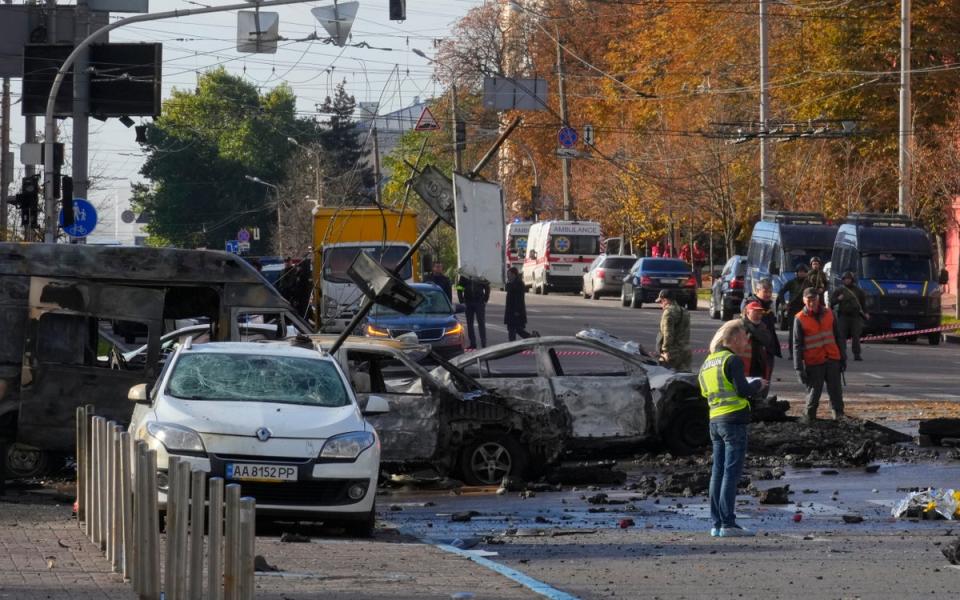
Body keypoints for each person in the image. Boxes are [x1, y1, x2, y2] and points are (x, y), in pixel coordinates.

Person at [699, 319, 766, 537]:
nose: (746, 342)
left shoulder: (708, 362)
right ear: (734, 338)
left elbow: (705, 392)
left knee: (717, 472)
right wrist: (757, 384)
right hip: (734, 420)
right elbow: (742, 391)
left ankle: (717, 523)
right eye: (744, 338)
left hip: (715, 420)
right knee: (731, 472)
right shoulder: (732, 360)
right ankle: (728, 523)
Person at [793, 287, 846, 422]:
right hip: (814, 362)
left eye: (814, 299)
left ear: (819, 299)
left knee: (836, 393)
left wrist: (842, 357)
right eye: (809, 299)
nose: (812, 302)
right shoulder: (799, 318)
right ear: (804, 300)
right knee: (813, 394)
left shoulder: (830, 313)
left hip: (832, 359)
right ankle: (809, 419)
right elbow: (797, 345)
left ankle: (838, 418)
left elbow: (839, 337)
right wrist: (798, 368)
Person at [739, 279, 782, 378]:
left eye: (770, 292)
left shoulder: (768, 305)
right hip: (755, 349)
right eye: (765, 291)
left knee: (766, 378)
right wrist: (764, 340)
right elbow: (747, 325)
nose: (768, 294)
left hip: (768, 348)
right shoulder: (750, 304)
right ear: (757, 291)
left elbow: (771, 328)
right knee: (755, 379)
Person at [831, 271, 868, 361]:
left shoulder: (858, 291)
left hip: (855, 316)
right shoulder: (839, 290)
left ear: (852, 280)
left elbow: (863, 303)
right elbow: (832, 302)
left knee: (856, 336)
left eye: (849, 279)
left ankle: (857, 354)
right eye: (845, 279)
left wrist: (866, 312)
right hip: (843, 316)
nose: (847, 280)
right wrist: (838, 299)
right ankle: (842, 354)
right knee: (841, 336)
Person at [655, 289, 691, 371]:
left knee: (665, 376)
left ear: (665, 300)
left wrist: (665, 351)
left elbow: (668, 333)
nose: (661, 305)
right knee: (685, 378)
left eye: (661, 302)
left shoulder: (668, 313)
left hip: (673, 352)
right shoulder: (684, 311)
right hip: (685, 350)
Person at [740, 301, 775, 381]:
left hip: (759, 365)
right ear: (747, 312)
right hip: (744, 365)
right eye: (755, 312)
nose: (758, 315)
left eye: (760, 312)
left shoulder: (762, 326)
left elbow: (767, 340)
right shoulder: (740, 326)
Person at [782, 263, 809, 360]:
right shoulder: (791, 282)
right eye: (800, 272)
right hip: (793, 310)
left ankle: (803, 352)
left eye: (803, 272)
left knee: (805, 332)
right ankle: (792, 353)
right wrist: (783, 304)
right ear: (796, 273)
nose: (801, 274)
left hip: (805, 310)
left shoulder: (809, 283)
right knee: (793, 332)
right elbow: (782, 292)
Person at [457, 275, 490, 349]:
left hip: (479, 302)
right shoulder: (464, 275)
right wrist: (461, 300)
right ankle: (473, 344)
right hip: (468, 302)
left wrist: (485, 299)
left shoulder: (480, 274)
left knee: (481, 323)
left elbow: (487, 287)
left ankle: (483, 343)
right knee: (469, 324)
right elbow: (459, 288)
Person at [504, 267, 532, 341]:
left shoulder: (519, 284)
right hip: (511, 312)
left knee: (518, 330)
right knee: (513, 330)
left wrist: (517, 311)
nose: (508, 276)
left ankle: (533, 338)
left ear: (514, 274)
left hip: (516, 312)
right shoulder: (511, 283)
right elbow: (507, 288)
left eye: (509, 275)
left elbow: (519, 299)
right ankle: (531, 338)